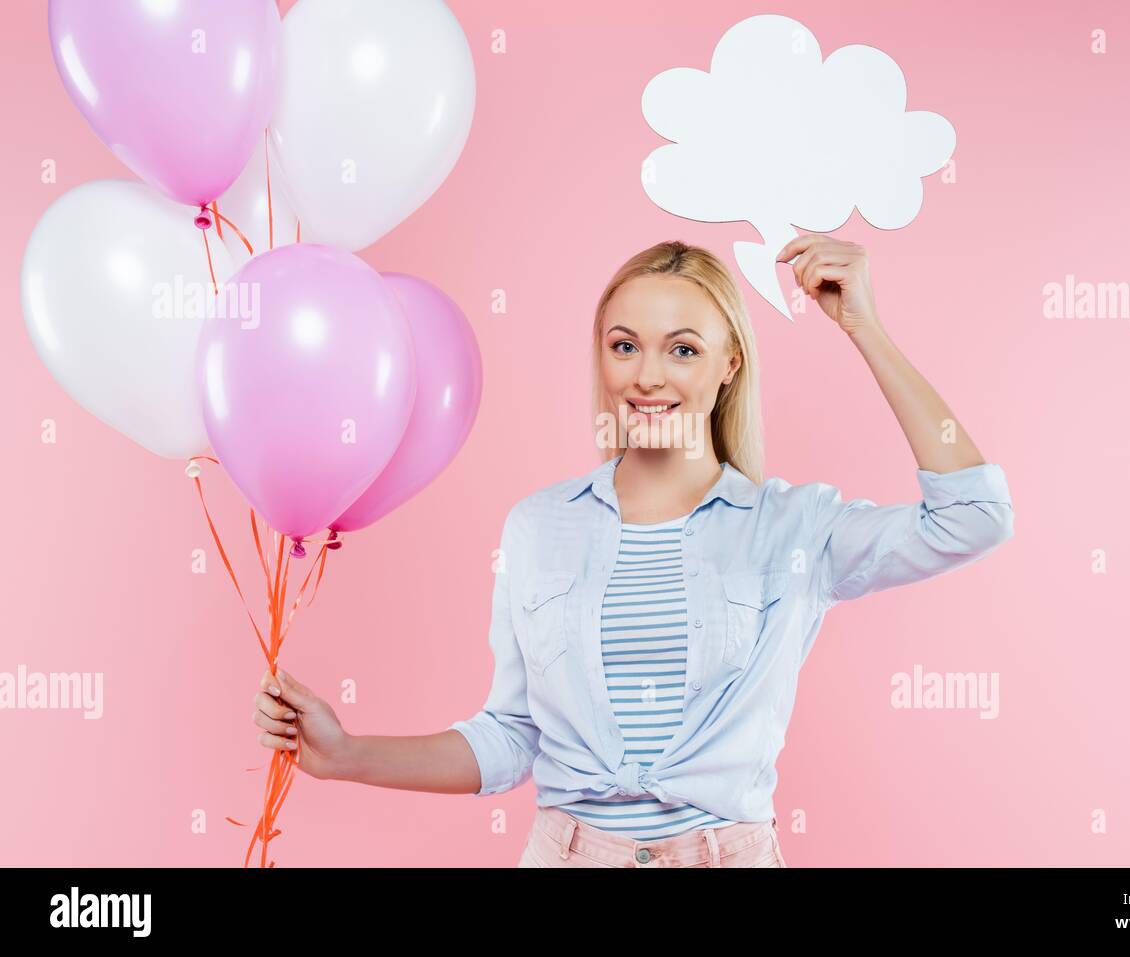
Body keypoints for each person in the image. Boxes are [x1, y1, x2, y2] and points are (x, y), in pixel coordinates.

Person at [250, 234, 1015, 867]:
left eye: (683, 349)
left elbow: (974, 516)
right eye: (625, 345)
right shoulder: (538, 526)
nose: (647, 375)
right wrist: (347, 753)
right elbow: (514, 737)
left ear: (729, 366)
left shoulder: (793, 529)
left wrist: (864, 327)